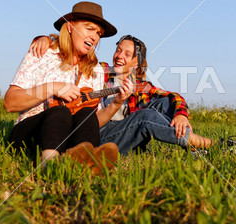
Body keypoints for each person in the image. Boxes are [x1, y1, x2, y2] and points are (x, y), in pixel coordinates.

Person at [30, 34, 213, 155]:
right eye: (118, 50)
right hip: (93, 133)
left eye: (127, 54)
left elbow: (173, 97)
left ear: (136, 64)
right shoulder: (99, 71)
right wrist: (46, 38)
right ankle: (208, 144)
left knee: (164, 103)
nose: (119, 56)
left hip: (121, 134)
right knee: (145, 117)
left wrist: (180, 114)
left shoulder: (139, 87)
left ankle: (193, 143)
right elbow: (73, 49)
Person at [4, 1, 132, 173]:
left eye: (99, 33)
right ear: (70, 26)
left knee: (87, 114)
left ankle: (87, 165)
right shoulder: (43, 52)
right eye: (89, 28)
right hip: (29, 134)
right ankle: (50, 168)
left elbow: (95, 121)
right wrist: (51, 88)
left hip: (67, 139)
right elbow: (10, 103)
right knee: (61, 112)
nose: (94, 37)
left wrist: (116, 104)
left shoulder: (96, 70)